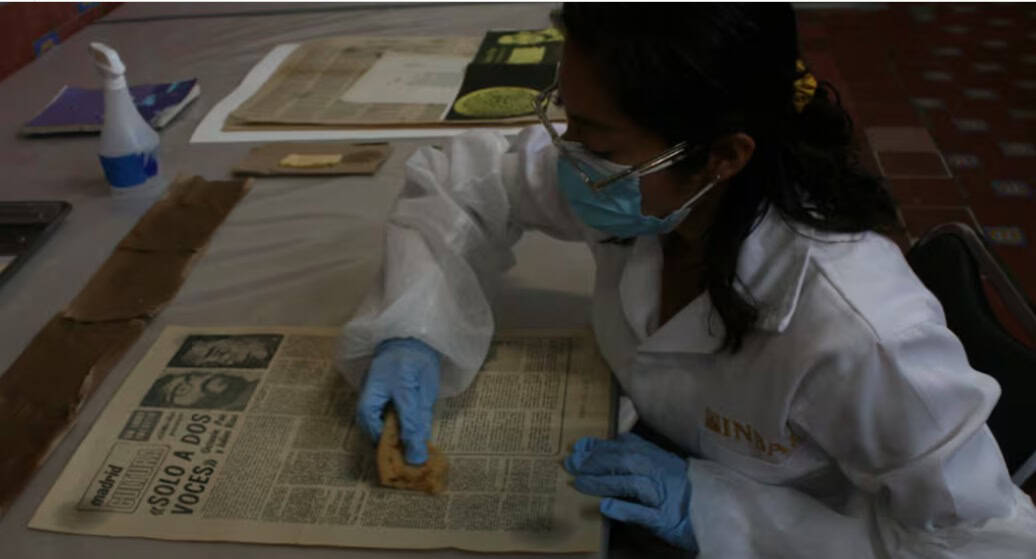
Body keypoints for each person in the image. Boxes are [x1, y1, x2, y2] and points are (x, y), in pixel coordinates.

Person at [336, 4, 1036, 556]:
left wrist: (728, 512)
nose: (567, 154)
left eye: (596, 139)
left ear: (722, 156)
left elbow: (988, 545)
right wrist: (414, 326)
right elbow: (465, 180)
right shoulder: (658, 190)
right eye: (568, 120)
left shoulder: (862, 335)